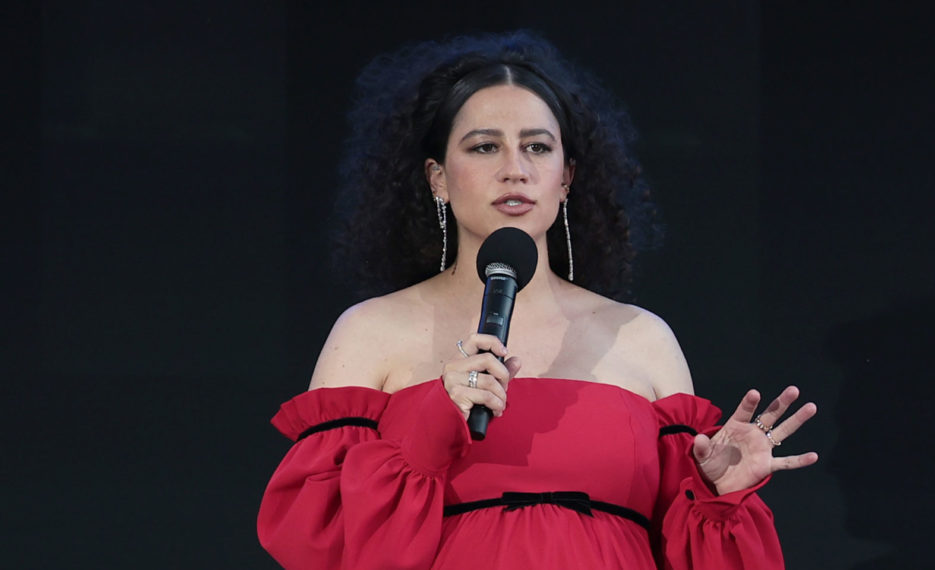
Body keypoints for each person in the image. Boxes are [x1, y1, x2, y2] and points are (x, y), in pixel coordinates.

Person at [257, 30, 818, 570]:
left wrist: (719, 495)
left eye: (537, 147)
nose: (515, 170)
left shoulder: (640, 337)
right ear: (438, 178)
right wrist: (430, 428)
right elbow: (315, 539)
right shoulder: (370, 331)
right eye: (484, 147)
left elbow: (689, 550)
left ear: (566, 176)